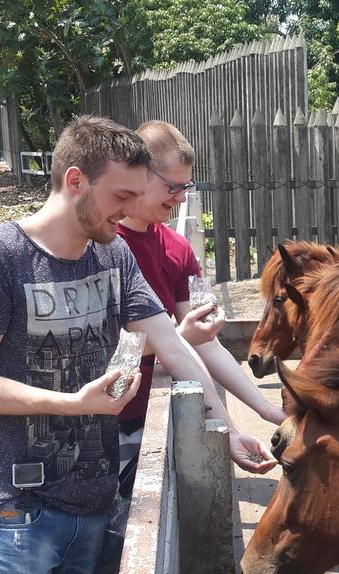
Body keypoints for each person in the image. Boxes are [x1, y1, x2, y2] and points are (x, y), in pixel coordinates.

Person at [0, 115, 275, 574]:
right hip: (13, 509)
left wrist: (222, 429)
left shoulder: (114, 255)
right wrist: (72, 403)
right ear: (75, 180)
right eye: (120, 196)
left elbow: (173, 346)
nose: (128, 211)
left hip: (90, 501)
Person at [114, 120, 286, 493]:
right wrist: (178, 337)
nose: (179, 198)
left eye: (185, 188)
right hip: (113, 415)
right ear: (140, 175)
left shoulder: (178, 249)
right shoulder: (106, 247)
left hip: (160, 412)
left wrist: (267, 412)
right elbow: (146, 343)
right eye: (172, 187)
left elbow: (204, 341)